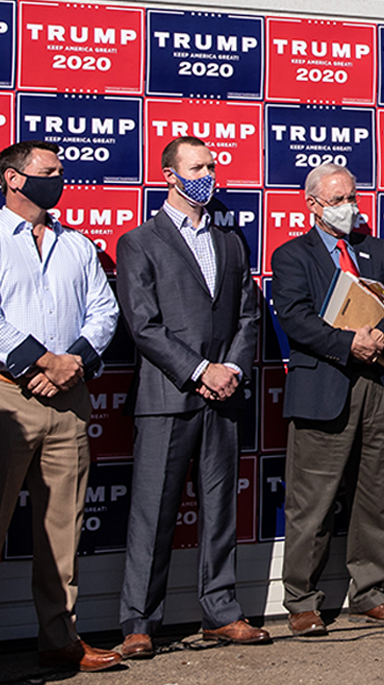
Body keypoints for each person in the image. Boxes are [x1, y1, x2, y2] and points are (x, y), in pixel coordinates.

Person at [116, 136, 266, 657]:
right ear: (169, 175)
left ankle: (220, 611)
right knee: (152, 512)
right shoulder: (140, 241)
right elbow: (144, 325)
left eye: (212, 164)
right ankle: (139, 622)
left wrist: (230, 370)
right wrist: (200, 369)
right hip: (167, 397)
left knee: (221, 508)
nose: (209, 173)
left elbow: (248, 315)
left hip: (223, 398)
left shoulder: (229, 242)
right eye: (197, 166)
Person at [270, 163, 384, 637]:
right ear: (313, 204)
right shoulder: (292, 255)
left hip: (378, 384)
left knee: (374, 498)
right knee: (312, 503)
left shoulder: (377, 250)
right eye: (337, 200)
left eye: (352, 197)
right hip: (324, 386)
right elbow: (294, 317)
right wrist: (346, 342)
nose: (349, 207)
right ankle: (301, 601)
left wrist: (380, 336)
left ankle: (371, 594)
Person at [0, 141, 122, 672]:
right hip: (8, 396)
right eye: (48, 172)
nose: (59, 179)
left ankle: (59, 640)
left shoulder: (75, 243)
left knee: (62, 531)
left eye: (61, 171)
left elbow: (103, 309)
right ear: (13, 179)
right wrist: (36, 363)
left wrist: (71, 363)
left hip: (70, 400)